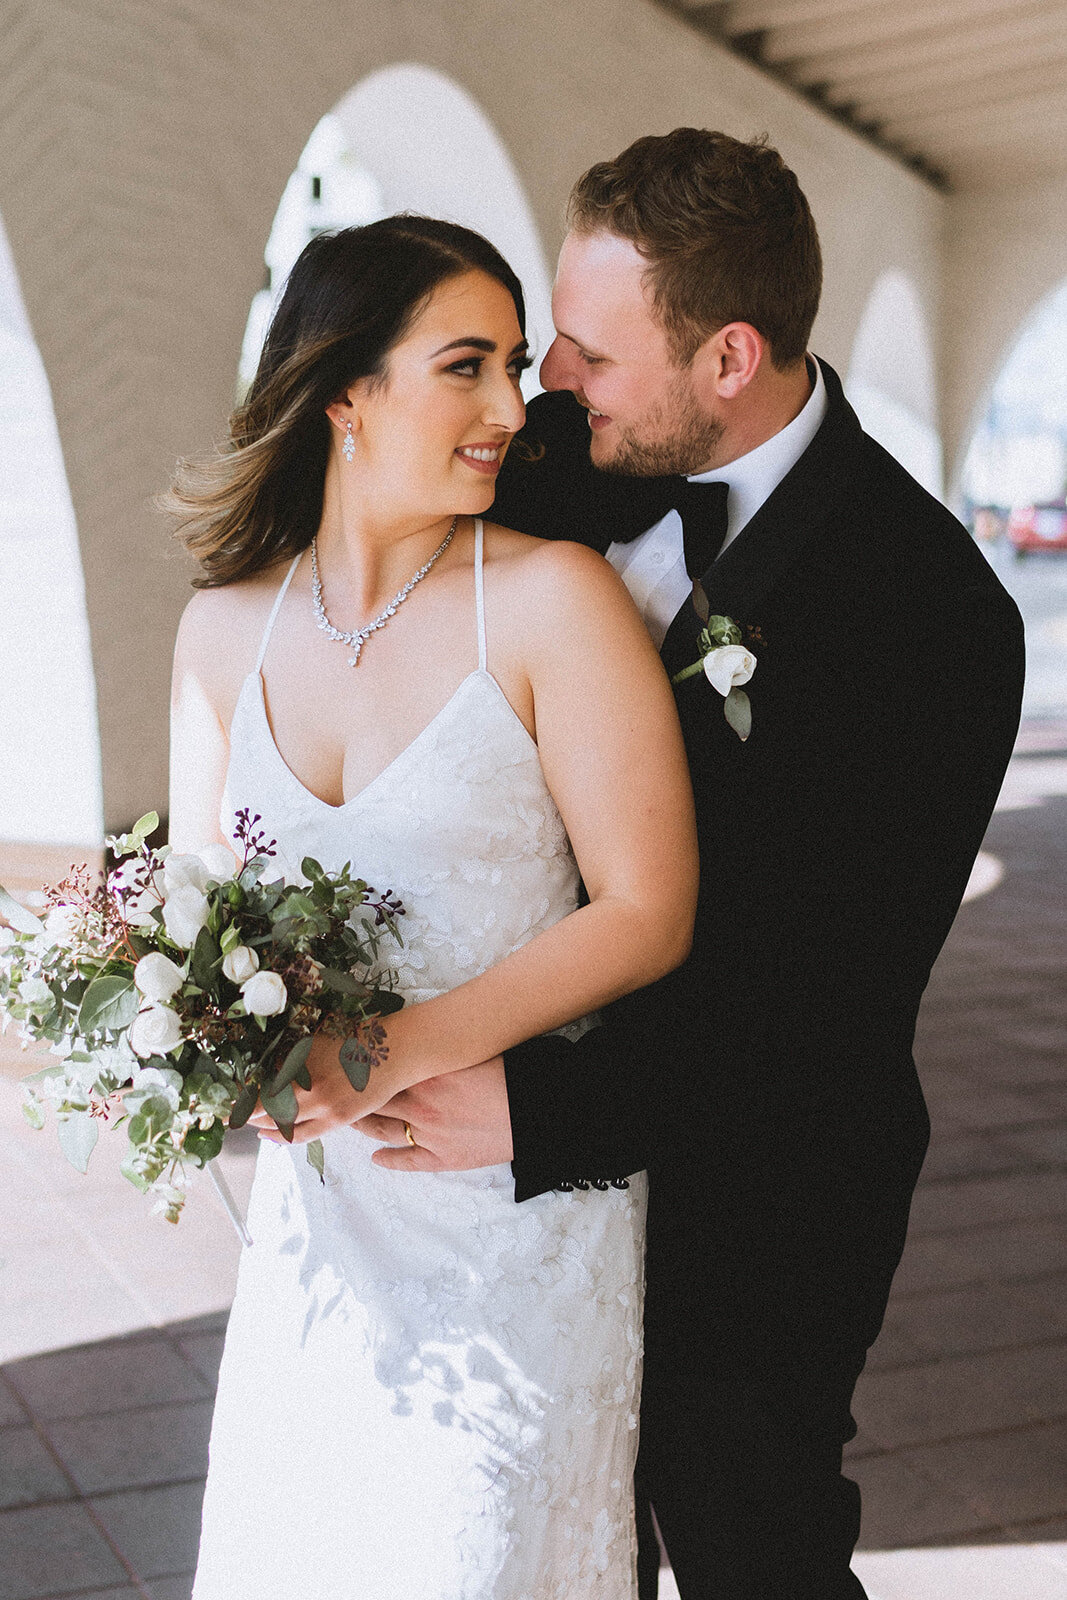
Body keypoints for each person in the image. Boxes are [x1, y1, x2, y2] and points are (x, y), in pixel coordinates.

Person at [354, 132, 1026, 1598]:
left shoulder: (938, 617)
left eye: (590, 353)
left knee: (744, 1537)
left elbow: (821, 998)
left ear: (730, 357)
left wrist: (531, 1109)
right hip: (511, 1181)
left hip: (762, 1187)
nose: (549, 387)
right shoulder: (542, 464)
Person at [165, 215, 698, 1599]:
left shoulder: (548, 601)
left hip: (509, 1230)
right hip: (319, 1233)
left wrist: (407, 1046)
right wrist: (179, 1055)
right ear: (345, 388)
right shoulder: (223, 632)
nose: (513, 409)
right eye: (466, 366)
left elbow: (648, 907)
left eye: (517, 365)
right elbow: (197, 926)